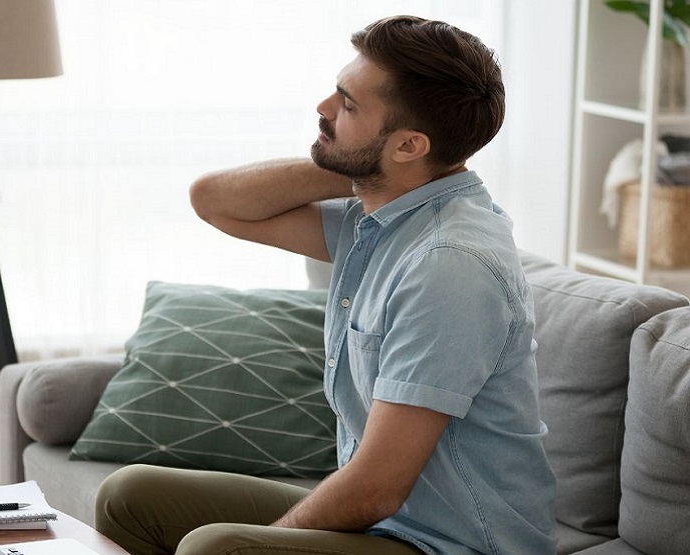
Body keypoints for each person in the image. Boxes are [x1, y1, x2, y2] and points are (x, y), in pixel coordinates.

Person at [95, 14, 557, 555]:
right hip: (392, 525)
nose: (323, 108)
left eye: (348, 105)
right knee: (129, 494)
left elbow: (375, 488)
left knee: (215, 549)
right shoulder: (388, 214)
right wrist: (367, 162)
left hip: (453, 544)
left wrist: (264, 543)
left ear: (410, 145)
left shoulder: (450, 266)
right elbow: (214, 201)